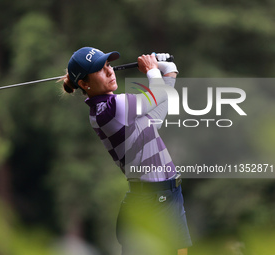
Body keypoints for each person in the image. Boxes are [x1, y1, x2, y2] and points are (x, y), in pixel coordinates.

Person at [61, 47, 192, 255]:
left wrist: (167, 70)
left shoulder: (114, 108)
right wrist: (151, 69)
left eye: (108, 65)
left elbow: (155, 117)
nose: (110, 71)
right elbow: (158, 94)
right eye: (100, 70)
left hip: (168, 194)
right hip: (154, 199)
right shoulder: (111, 109)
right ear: (85, 84)